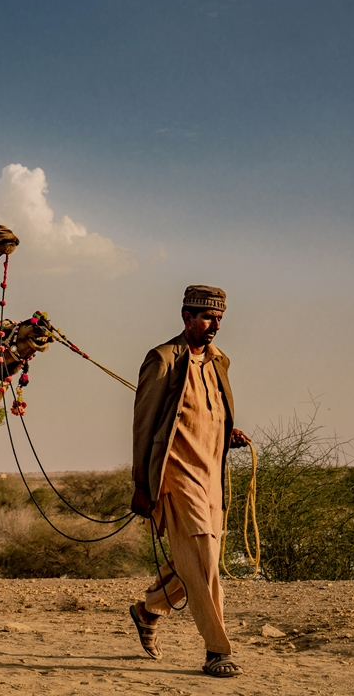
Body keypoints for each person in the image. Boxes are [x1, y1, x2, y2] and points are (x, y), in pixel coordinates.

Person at [129, 285, 251, 678]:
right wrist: (141, 487)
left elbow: (209, 413)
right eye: (206, 318)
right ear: (186, 318)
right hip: (176, 475)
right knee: (203, 560)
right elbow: (144, 427)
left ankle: (148, 610)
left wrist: (226, 432)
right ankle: (217, 650)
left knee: (201, 561)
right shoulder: (163, 360)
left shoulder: (219, 361)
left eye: (219, 319)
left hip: (211, 475)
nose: (214, 325)